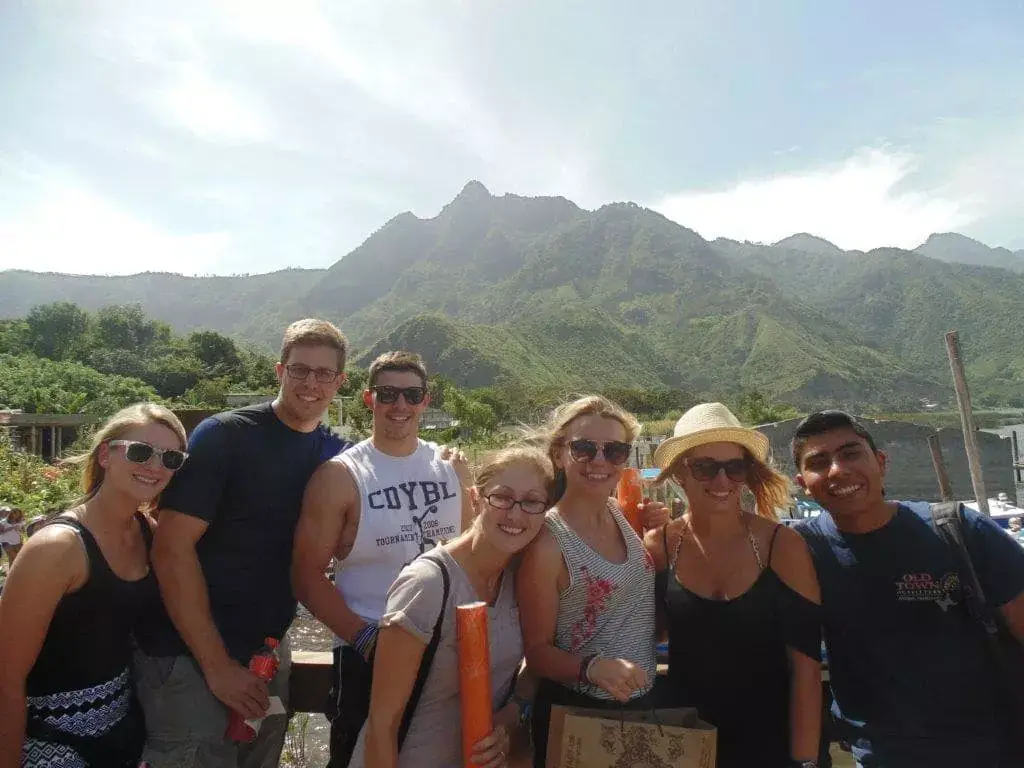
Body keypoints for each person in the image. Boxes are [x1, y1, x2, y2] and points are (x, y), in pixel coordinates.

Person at [135, 319, 352, 768]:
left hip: (267, 654)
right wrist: (217, 667)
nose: (311, 383)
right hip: (190, 656)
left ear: (340, 381)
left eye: (324, 373)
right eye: (299, 370)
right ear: (280, 371)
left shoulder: (336, 455)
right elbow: (171, 548)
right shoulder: (227, 436)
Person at [791, 410, 1024, 768]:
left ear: (881, 463)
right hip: (880, 756)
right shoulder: (802, 552)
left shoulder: (959, 529)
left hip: (991, 749)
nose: (838, 470)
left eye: (851, 453)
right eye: (819, 462)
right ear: (802, 483)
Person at [292, 350, 472, 768]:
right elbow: (305, 575)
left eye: (412, 395)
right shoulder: (341, 476)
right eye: (388, 394)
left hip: (443, 647)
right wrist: (364, 639)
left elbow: (465, 554)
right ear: (369, 399)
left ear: (427, 400)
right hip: (367, 650)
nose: (400, 406)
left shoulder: (449, 467)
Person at [0, 403, 187, 768]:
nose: (154, 466)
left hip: (124, 735)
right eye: (140, 451)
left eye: (171, 459)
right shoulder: (58, 548)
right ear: (105, 455)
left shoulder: (148, 534)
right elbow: (5, 677)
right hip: (52, 744)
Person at [352, 443, 554, 767]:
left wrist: (511, 716)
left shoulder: (520, 582)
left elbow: (537, 657)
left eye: (531, 502)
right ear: (475, 498)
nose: (515, 513)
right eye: (501, 497)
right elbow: (382, 723)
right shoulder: (428, 585)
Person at [646, 402, 824, 768]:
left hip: (772, 745)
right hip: (688, 746)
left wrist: (804, 760)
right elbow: (646, 635)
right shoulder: (660, 545)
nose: (722, 481)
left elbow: (806, 667)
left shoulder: (781, 546)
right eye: (705, 468)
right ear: (680, 473)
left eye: (734, 467)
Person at [516, 395, 669, 766]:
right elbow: (535, 652)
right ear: (558, 454)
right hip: (579, 714)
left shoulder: (622, 515)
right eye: (584, 449)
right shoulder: (548, 543)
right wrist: (591, 667)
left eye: (614, 451)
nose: (600, 461)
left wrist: (659, 538)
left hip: (640, 708)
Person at [0, 506, 25, 571]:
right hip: (6, 542)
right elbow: (1, 532)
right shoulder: (3, 522)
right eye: (15, 513)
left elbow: (23, 531)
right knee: (13, 557)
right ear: (11, 513)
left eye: (18, 513)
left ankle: (15, 572)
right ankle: (13, 573)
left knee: (17, 558)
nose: (16, 515)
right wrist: (12, 528)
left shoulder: (20, 521)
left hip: (17, 542)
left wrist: (20, 529)